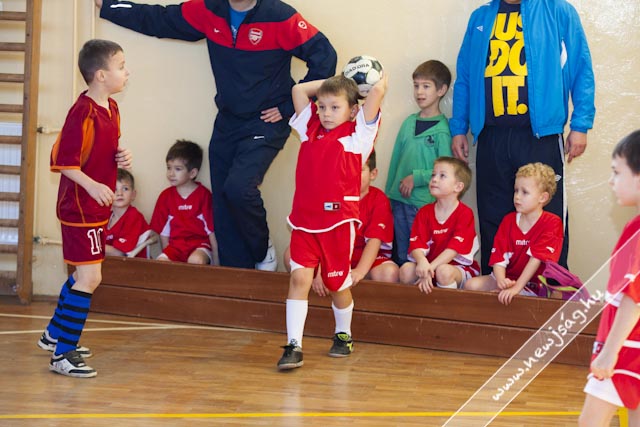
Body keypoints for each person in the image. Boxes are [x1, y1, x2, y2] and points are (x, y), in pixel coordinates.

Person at [94, 0, 337, 271]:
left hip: (265, 121)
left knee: (239, 188)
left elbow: (325, 56)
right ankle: (236, 277)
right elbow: (160, 18)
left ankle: (262, 249)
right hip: (228, 121)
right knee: (223, 202)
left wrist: (289, 106)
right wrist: (110, 6)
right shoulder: (210, 9)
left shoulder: (280, 16)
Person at [449, 0, 596, 274]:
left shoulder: (557, 11)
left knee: (547, 217)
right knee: (493, 217)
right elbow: (465, 77)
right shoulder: (480, 17)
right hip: (491, 137)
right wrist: (459, 127)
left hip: (539, 137)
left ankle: (550, 285)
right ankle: (495, 284)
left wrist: (581, 124)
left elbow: (581, 68)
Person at [277, 74, 387, 370]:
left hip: (337, 224)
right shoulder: (309, 128)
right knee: (299, 279)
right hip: (303, 223)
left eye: (335, 107)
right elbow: (299, 89)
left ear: (353, 111)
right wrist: (335, 81)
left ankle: (343, 334)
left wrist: (373, 84)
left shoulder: (358, 136)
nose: (326, 113)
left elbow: (377, 92)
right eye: (322, 107)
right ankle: (294, 346)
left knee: (336, 284)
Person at [39, 39, 132, 378]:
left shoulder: (111, 108)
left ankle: (53, 336)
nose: (127, 72)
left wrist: (121, 156)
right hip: (80, 209)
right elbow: (63, 161)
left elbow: (101, 150)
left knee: (82, 275)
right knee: (90, 278)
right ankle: (63, 354)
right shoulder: (82, 112)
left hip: (95, 208)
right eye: (121, 66)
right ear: (101, 75)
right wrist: (92, 186)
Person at [579, 130, 640, 427]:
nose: (610, 181)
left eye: (617, 172)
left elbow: (634, 300)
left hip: (627, 350)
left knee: (590, 422)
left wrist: (609, 352)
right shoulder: (634, 228)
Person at [282, 150, 399, 290]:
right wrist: (319, 272)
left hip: (364, 258)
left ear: (373, 174)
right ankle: (319, 289)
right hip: (333, 257)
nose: (353, 174)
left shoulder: (379, 200)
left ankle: (351, 293)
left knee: (389, 273)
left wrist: (360, 271)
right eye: (348, 169)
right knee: (290, 254)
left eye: (360, 170)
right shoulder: (331, 197)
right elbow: (322, 237)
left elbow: (374, 241)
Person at [464, 162, 564, 305]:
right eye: (516, 190)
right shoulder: (508, 220)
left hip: (534, 284)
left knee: (509, 299)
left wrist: (516, 288)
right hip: (508, 278)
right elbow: (499, 258)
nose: (517, 197)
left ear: (542, 197)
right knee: (471, 285)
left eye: (525, 192)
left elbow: (536, 260)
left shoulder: (552, 222)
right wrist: (501, 282)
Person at [385, 60, 453, 265]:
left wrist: (417, 177)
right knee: (400, 256)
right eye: (416, 86)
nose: (419, 92)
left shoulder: (443, 130)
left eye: (426, 86)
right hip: (399, 201)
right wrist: (389, 194)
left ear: (441, 90)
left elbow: (447, 170)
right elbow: (396, 160)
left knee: (419, 255)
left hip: (423, 204)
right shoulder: (408, 122)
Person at [398, 157, 480, 293]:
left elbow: (454, 249)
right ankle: (417, 305)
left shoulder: (465, 213)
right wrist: (422, 262)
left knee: (443, 272)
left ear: (458, 187)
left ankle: (449, 306)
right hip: (429, 265)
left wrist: (429, 268)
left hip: (457, 269)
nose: (434, 179)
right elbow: (416, 245)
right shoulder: (424, 212)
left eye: (442, 176)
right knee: (406, 271)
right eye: (433, 175)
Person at [150, 140, 220, 266]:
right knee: (162, 264)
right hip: (175, 247)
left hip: (200, 246)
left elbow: (212, 231)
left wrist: (216, 263)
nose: (171, 173)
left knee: (195, 260)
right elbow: (163, 233)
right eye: (169, 168)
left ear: (192, 173)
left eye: (177, 169)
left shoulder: (204, 195)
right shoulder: (165, 197)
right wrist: (166, 254)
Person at [105, 168, 151, 258]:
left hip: (131, 265)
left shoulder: (134, 217)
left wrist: (93, 247)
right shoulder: (106, 217)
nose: (119, 193)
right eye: (114, 189)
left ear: (133, 195)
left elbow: (120, 253)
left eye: (125, 189)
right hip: (109, 263)